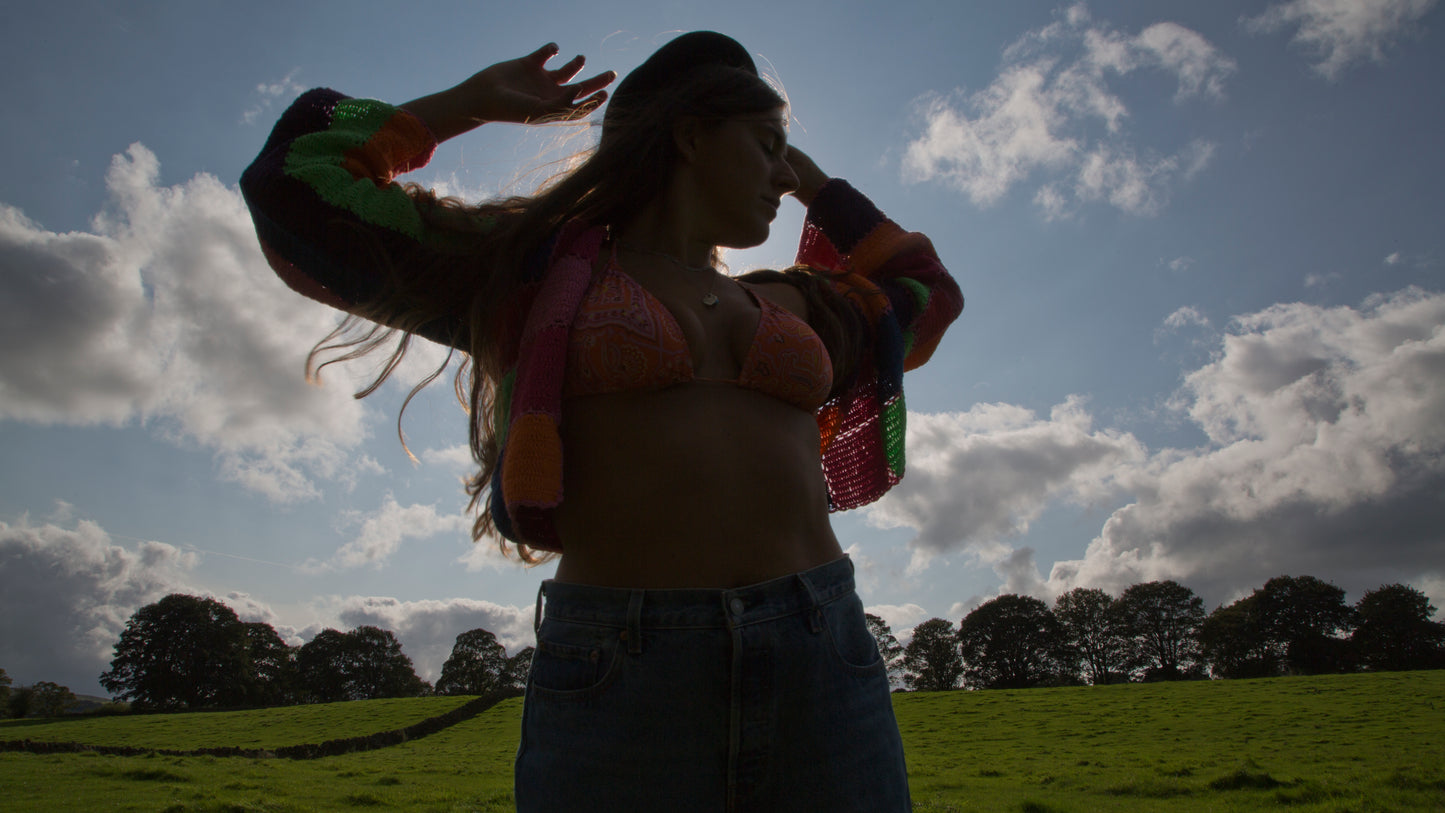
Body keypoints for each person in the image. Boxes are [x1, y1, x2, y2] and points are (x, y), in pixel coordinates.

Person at [242, 30, 961, 813]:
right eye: (767, 146)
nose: (784, 176)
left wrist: (815, 184)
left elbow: (923, 290)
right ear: (690, 136)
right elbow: (294, 185)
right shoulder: (531, 269)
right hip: (623, 662)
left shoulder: (798, 302)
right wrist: (466, 104)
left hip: (822, 648)